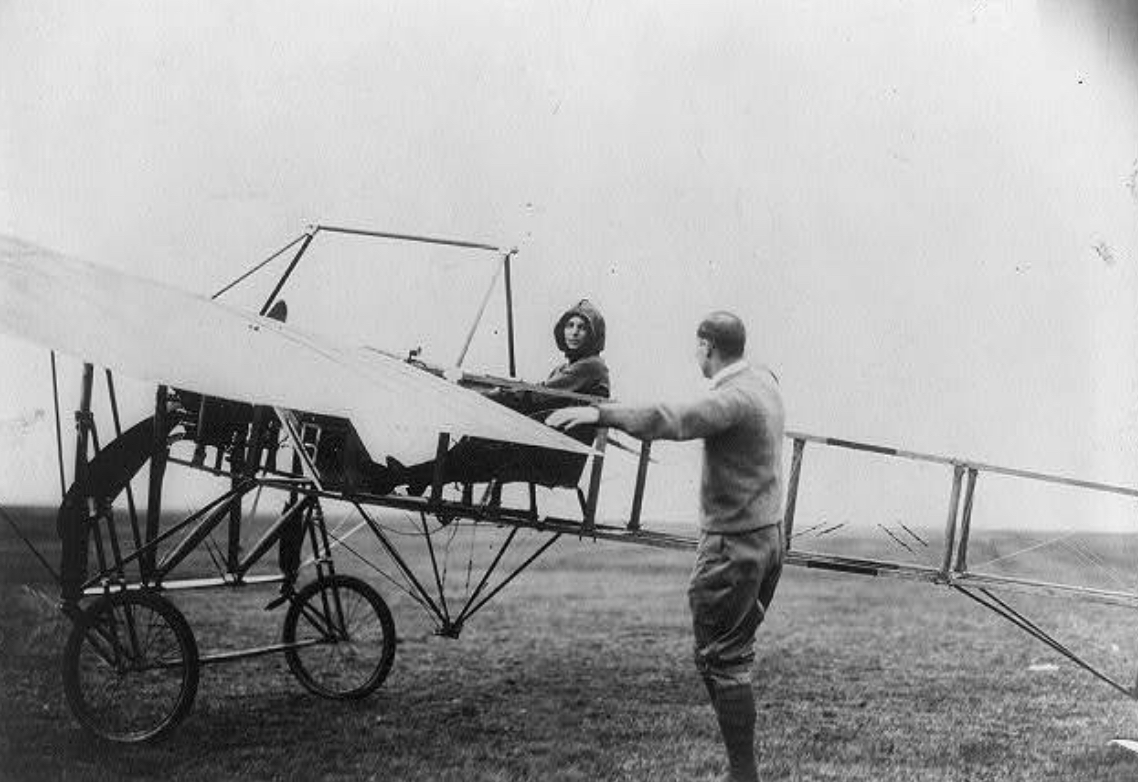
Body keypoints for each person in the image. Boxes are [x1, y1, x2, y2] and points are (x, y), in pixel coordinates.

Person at [547, 311, 784, 782]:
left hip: (733, 548)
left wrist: (599, 413)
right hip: (766, 538)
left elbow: (672, 418)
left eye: (697, 347)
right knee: (721, 654)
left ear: (706, 347)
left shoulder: (733, 398)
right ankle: (744, 772)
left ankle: (744, 776)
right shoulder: (763, 382)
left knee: (723, 659)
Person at [394, 299, 610, 493]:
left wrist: (482, 396)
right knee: (478, 443)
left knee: (478, 449)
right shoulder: (568, 368)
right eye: (570, 325)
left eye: (582, 328)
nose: (573, 332)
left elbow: (534, 397)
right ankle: (411, 477)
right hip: (552, 447)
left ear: (593, 334)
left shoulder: (591, 367)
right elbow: (537, 397)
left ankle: (404, 477)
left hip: (558, 457)